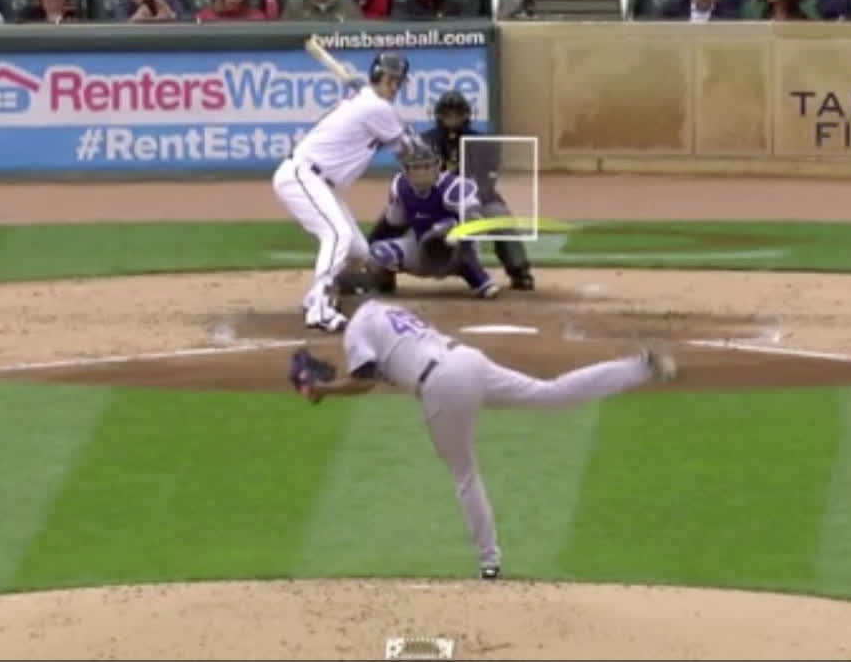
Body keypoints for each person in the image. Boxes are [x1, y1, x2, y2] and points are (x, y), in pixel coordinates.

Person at [290, 297, 679, 579]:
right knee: (549, 393)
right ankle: (642, 366)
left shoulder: (356, 329)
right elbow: (381, 366)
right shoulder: (383, 309)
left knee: (464, 474)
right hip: (468, 360)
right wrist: (330, 383)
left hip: (442, 384)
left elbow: (364, 381)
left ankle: (489, 562)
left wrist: (322, 389)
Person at [270, 51, 428, 332]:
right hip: (303, 176)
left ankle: (314, 297)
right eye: (389, 80)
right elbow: (410, 151)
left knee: (358, 250)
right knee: (336, 235)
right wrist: (405, 129)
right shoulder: (375, 107)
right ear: (376, 77)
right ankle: (320, 309)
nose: (394, 86)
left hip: (322, 183)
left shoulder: (369, 103)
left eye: (398, 82)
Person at [364, 89, 535, 294]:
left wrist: (467, 202)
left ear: (466, 115)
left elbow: (487, 179)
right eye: (447, 114)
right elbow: (411, 173)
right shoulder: (424, 141)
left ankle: (519, 270)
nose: (452, 118)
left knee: (499, 215)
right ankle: (378, 267)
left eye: (457, 114)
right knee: (397, 212)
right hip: (433, 197)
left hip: (478, 197)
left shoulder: (484, 142)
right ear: (438, 115)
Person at [346, 145, 501, 298]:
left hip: (456, 253)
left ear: (437, 167)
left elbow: (476, 224)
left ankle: (476, 276)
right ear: (406, 169)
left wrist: (458, 237)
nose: (421, 173)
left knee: (444, 227)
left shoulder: (454, 187)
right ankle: (384, 283)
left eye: (426, 167)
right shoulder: (401, 187)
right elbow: (392, 224)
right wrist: (368, 251)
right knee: (378, 251)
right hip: (421, 249)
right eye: (416, 168)